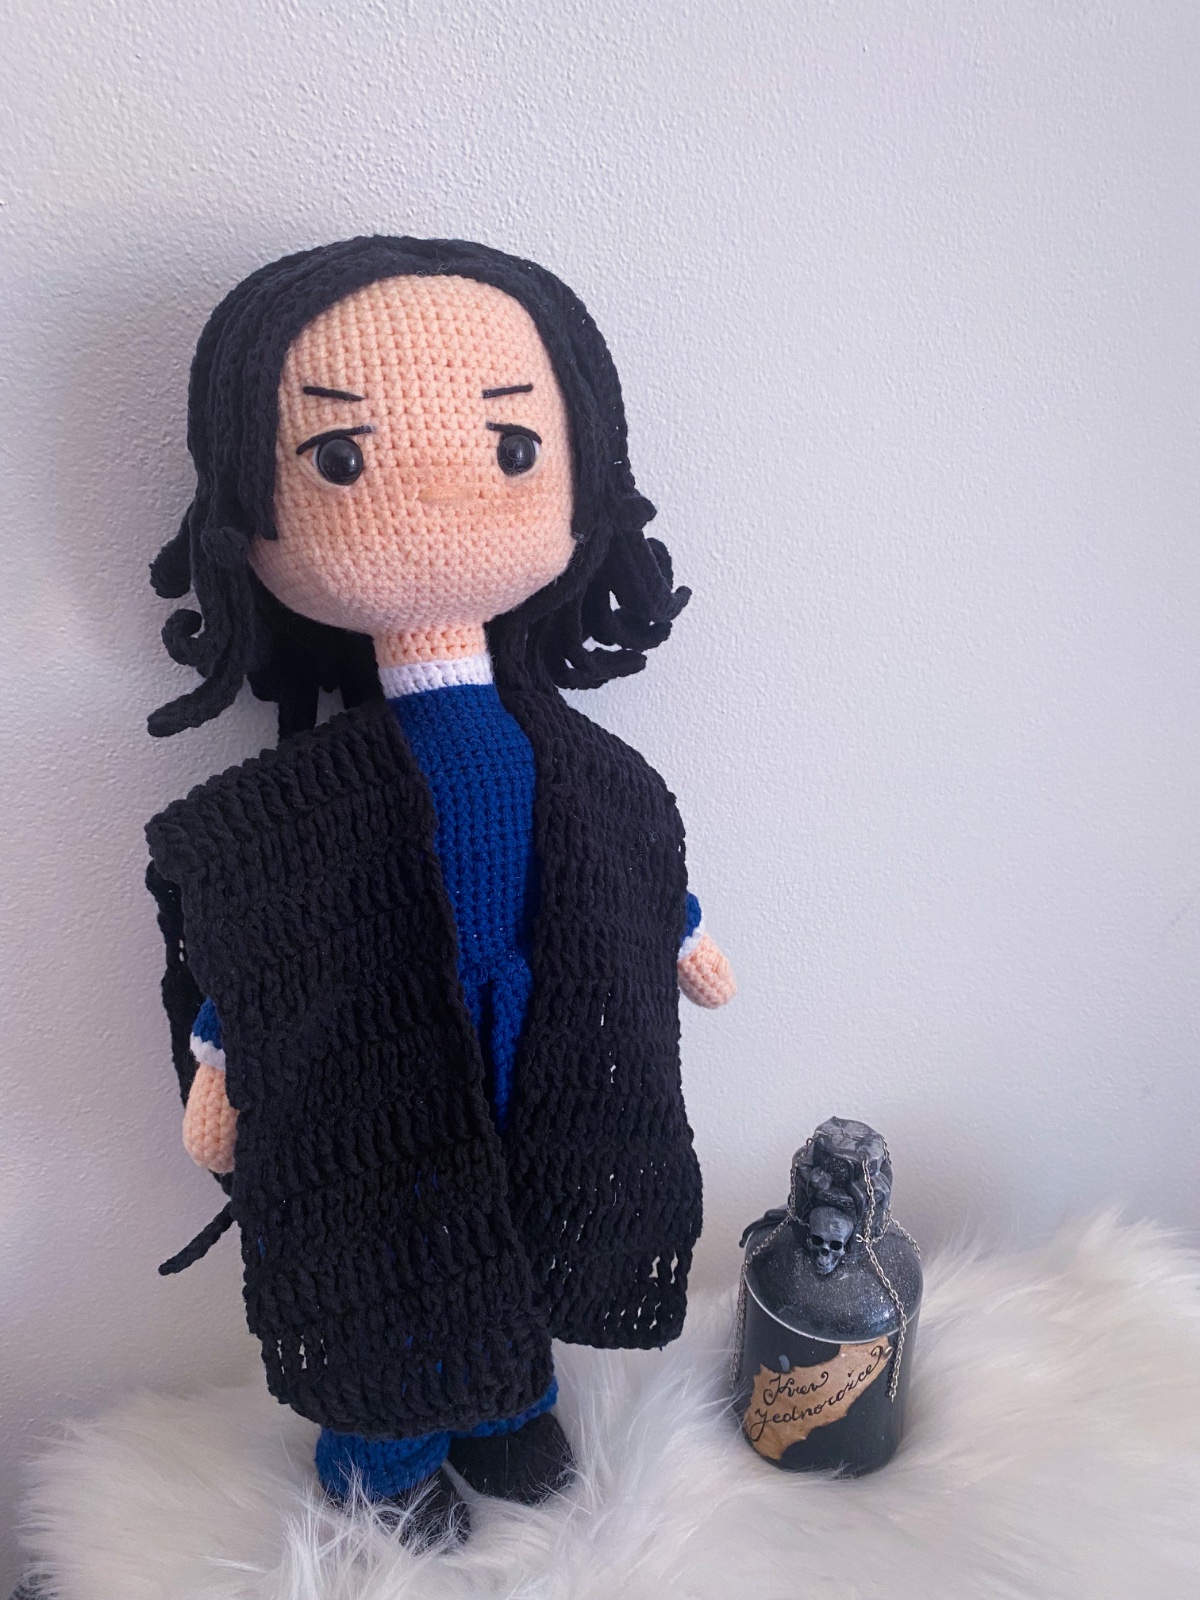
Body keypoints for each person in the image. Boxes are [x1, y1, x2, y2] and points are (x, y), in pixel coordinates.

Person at [145, 236, 735, 1547]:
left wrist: (679, 934)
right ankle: (384, 1447)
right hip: (382, 1050)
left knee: (526, 1210)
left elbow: (620, 862)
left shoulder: (571, 758)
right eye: (341, 460)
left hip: (540, 1037)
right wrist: (221, 1060)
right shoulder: (313, 795)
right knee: (392, 1234)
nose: (435, 501)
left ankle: (509, 1402)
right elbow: (271, 936)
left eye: (513, 448)